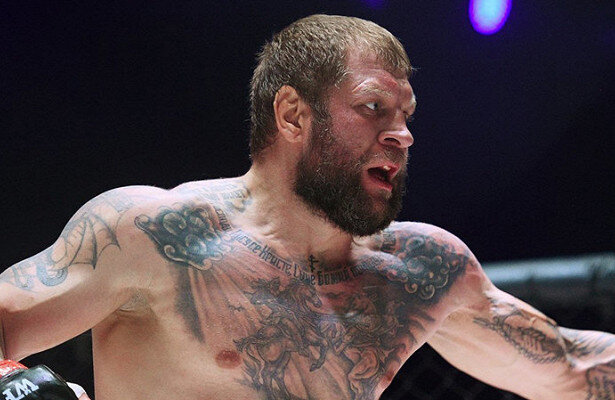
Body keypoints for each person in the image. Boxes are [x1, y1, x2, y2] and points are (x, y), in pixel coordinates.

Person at [0, 14, 613, 400]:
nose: (403, 135)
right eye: (373, 108)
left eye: (406, 115)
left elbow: (572, 368)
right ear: (293, 115)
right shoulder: (156, 234)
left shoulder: (420, 272)